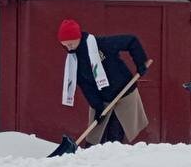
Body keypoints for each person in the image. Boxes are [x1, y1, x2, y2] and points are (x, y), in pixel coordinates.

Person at [57, 18, 149, 146]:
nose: (69, 48)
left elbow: (131, 41)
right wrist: (97, 106)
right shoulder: (75, 61)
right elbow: (86, 86)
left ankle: (112, 157)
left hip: (124, 93)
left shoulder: (101, 44)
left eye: (71, 44)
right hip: (103, 98)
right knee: (94, 140)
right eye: (65, 45)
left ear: (78, 37)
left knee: (114, 137)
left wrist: (140, 63)